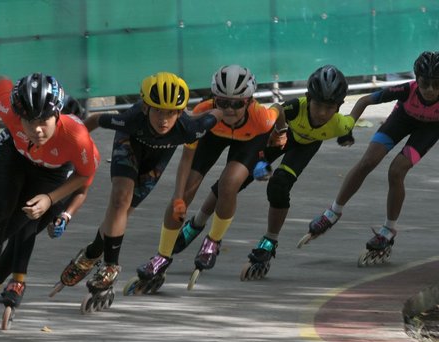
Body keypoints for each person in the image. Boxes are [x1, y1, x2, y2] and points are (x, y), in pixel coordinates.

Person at [56, 72, 222, 311]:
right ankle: (111, 266)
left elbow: (216, 114)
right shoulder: (131, 118)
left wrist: (178, 197)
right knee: (120, 199)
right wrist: (70, 153)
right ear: (146, 108)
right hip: (129, 144)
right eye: (158, 111)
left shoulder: (190, 128)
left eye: (171, 112)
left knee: (123, 213)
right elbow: (92, 121)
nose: (164, 120)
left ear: (180, 112)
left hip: (156, 161)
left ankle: (92, 252)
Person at [185, 65, 365, 280]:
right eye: (317, 105)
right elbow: (276, 109)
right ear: (308, 98)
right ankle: (197, 222)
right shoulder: (296, 107)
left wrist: (346, 135)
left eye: (330, 107)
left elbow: (363, 102)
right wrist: (275, 137)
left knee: (279, 185)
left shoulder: (341, 124)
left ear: (339, 106)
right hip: (277, 138)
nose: (322, 113)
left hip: (304, 148)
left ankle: (269, 241)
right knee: (233, 182)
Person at [0, 73, 99, 329]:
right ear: (18, 115)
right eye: (29, 120)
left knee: (18, 224)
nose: (36, 129)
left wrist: (52, 200)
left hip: (50, 173)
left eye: (44, 120)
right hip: (13, 155)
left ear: (57, 115)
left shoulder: (77, 138)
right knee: (0, 214)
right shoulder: (10, 112)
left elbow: (85, 176)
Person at [129, 64, 285, 293]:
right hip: (212, 134)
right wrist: (179, 198)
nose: (229, 110)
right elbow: (186, 160)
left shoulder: (261, 117)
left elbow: (278, 108)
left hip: (250, 140)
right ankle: (162, 256)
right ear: (213, 100)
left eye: (237, 103)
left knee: (228, 184)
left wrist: (280, 132)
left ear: (249, 101)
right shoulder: (202, 112)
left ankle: (213, 241)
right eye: (222, 102)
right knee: (183, 194)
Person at [306, 51, 439, 263]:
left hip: (430, 130)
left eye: (437, 84)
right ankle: (332, 213)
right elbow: (364, 100)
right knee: (368, 161)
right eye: (425, 83)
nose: (431, 90)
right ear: (416, 79)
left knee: (396, 172)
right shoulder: (406, 90)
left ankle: (388, 231)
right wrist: (347, 127)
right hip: (402, 119)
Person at [0, 96, 94, 316]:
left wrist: (66, 216)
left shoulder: (82, 146)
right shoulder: (39, 136)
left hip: (57, 196)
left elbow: (82, 190)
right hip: (40, 191)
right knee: (22, 226)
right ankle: (4, 284)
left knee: (24, 229)